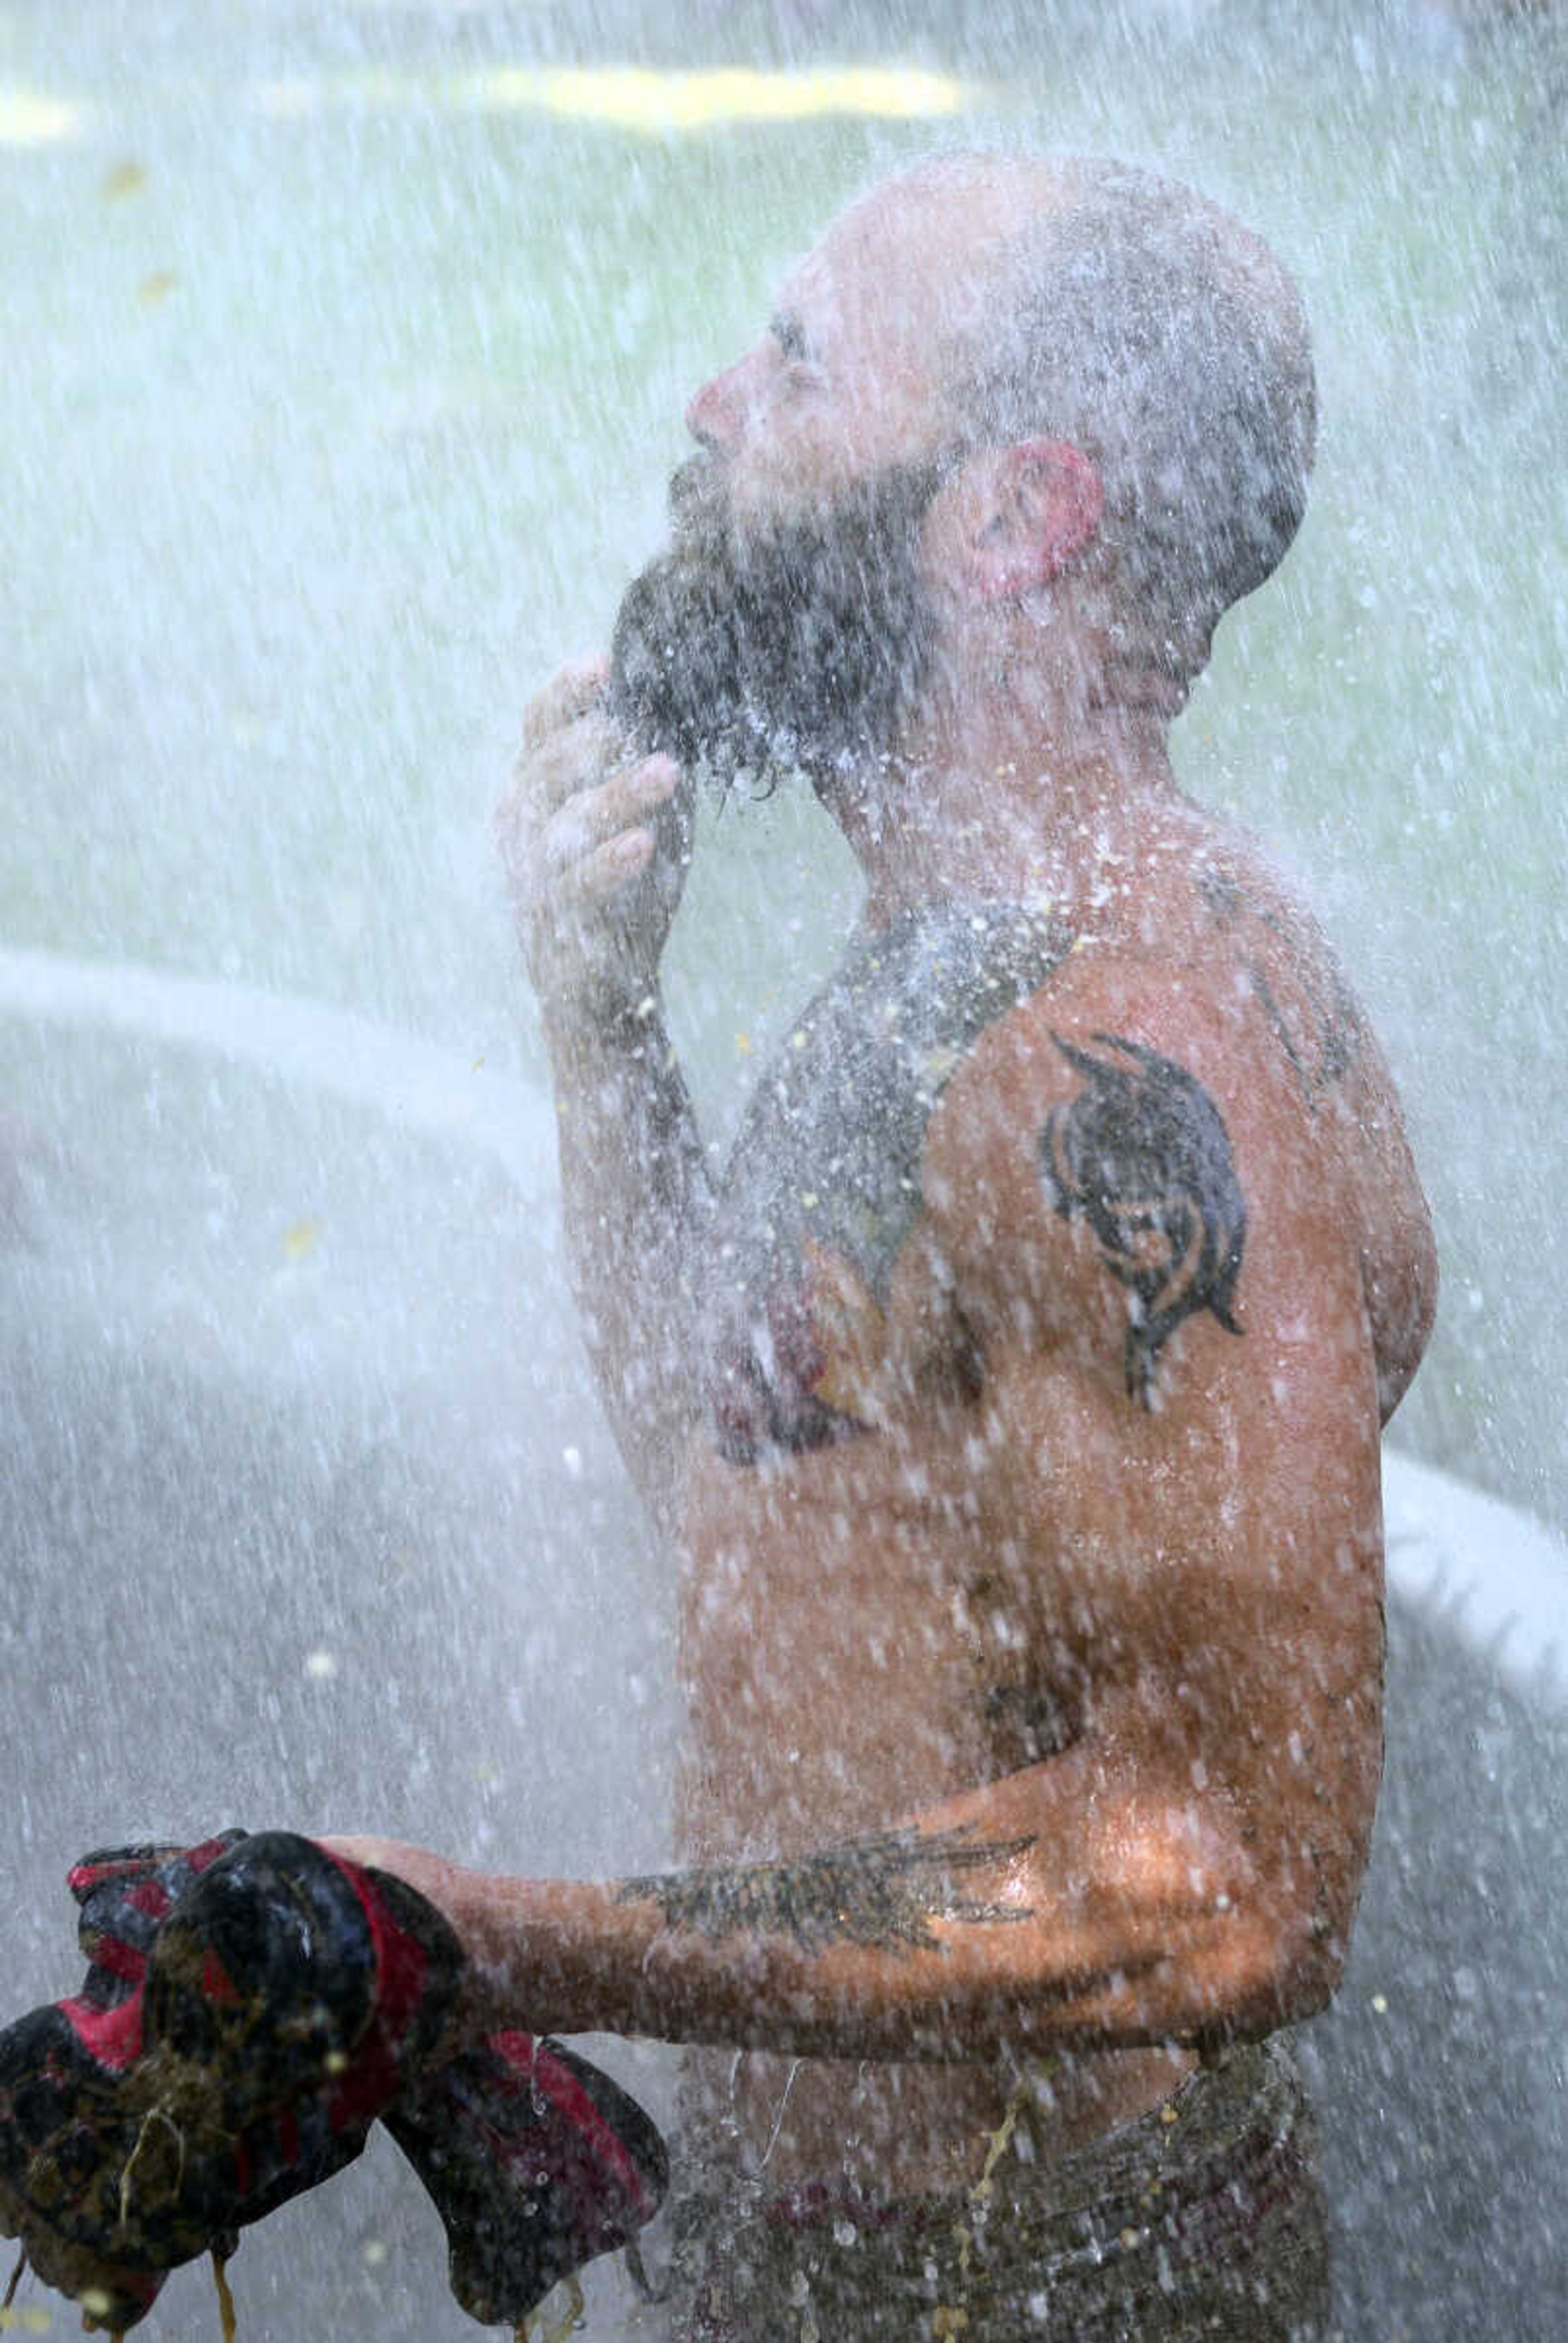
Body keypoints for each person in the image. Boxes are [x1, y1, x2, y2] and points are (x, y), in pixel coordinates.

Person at [347, 151, 1435, 2336]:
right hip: (865, 2269)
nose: (710, 397)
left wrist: (469, 1941)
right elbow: (757, 1491)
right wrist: (606, 1034)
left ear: (1014, 518)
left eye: (800, 358)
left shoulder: (1105, 1043)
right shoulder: (940, 973)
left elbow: (1227, 1878)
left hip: (1042, 2292)